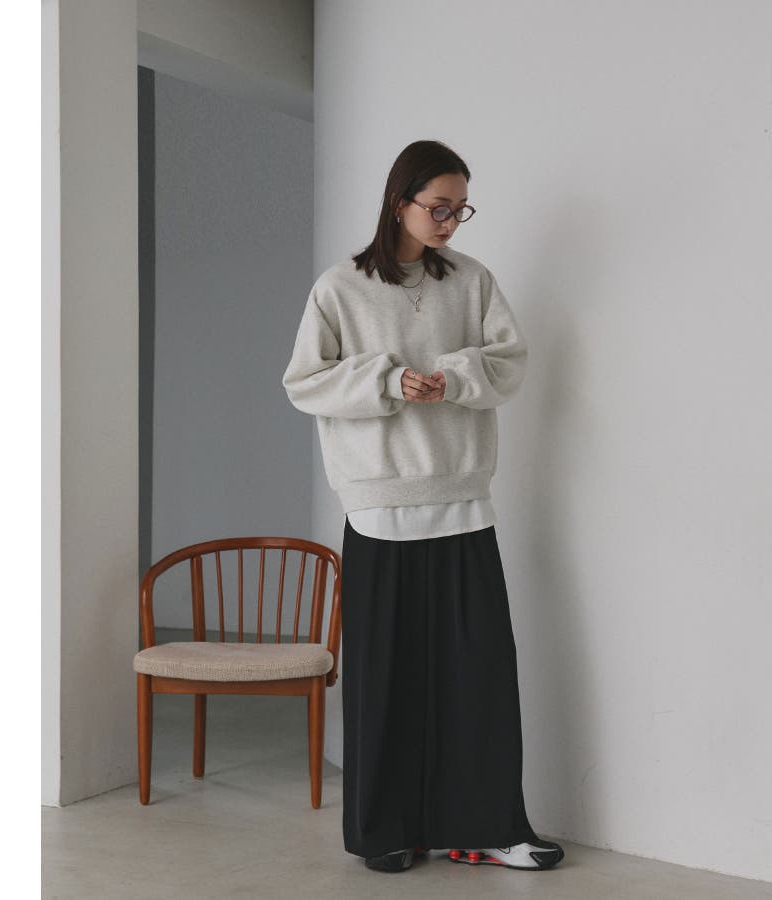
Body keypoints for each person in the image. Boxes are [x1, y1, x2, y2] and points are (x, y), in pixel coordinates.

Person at [282, 140, 564, 874]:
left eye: (460, 209)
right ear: (398, 200)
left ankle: (490, 826)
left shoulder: (472, 281)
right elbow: (304, 381)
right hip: (379, 509)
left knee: (479, 677)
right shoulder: (340, 288)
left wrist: (454, 376)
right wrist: (385, 380)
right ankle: (387, 831)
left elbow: (510, 361)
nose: (449, 221)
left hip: (463, 501)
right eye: (439, 206)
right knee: (386, 681)